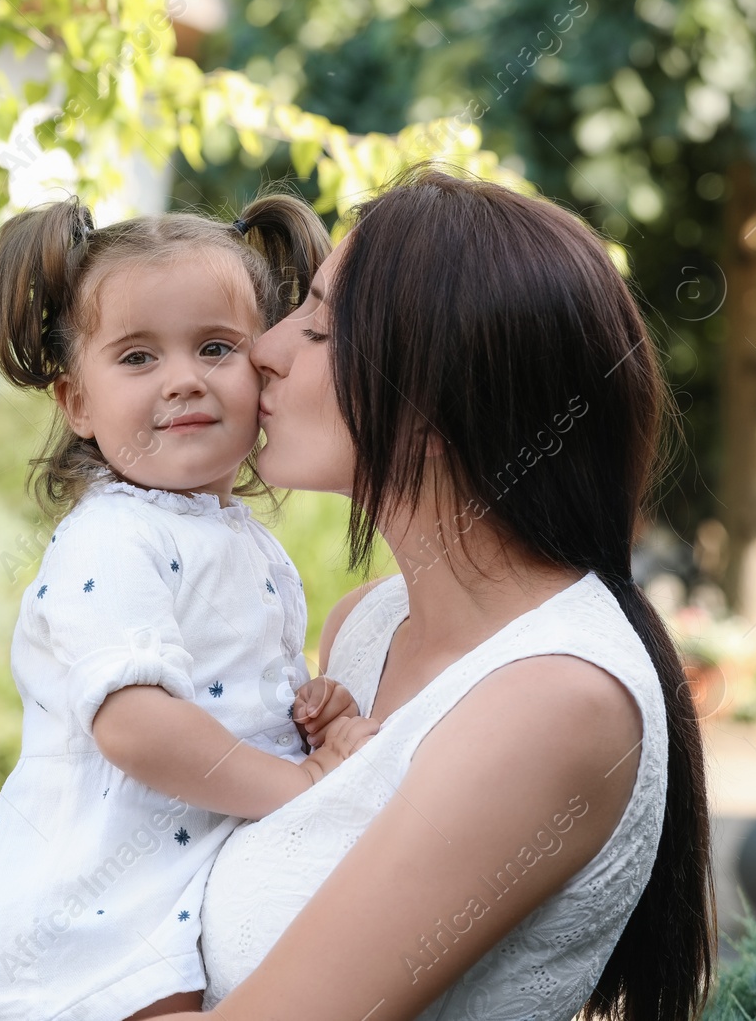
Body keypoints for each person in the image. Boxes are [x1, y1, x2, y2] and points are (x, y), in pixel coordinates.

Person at [151, 167, 717, 1020]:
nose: (265, 347)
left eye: (319, 325)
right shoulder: (367, 628)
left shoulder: (554, 701)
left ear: (436, 397)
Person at [0, 193, 377, 1021]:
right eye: (137, 358)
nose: (183, 379)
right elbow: (137, 724)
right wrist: (299, 785)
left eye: (216, 347)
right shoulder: (110, 538)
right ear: (77, 402)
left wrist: (310, 709)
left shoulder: (244, 543)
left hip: (158, 915)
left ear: (265, 369)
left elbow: (228, 701)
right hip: (78, 931)